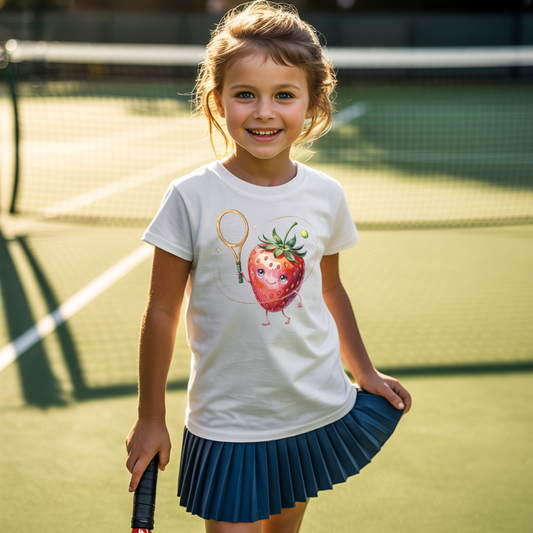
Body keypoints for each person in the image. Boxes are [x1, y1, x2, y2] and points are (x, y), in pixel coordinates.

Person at [126, 2, 412, 532]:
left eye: (284, 95)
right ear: (218, 101)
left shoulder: (326, 194)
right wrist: (150, 417)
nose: (264, 111)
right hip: (227, 422)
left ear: (311, 103)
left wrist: (364, 372)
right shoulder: (189, 197)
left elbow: (332, 293)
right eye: (245, 94)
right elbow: (162, 310)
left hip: (311, 409)